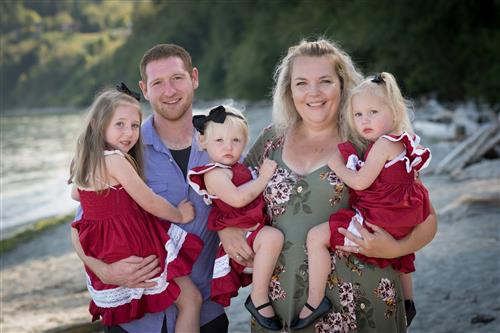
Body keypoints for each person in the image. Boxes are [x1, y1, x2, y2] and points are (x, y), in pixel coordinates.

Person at [218, 38, 437, 332]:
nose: (313, 92)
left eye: (325, 81)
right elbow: (225, 190)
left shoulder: (369, 142)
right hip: (283, 306)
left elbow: (427, 220)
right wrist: (226, 228)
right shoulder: (270, 141)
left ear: (343, 85)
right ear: (289, 90)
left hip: (362, 302)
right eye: (301, 83)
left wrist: (395, 248)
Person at [71, 44, 229, 333]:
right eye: (158, 82)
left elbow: (239, 207)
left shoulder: (223, 143)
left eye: (177, 78)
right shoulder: (125, 145)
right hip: (137, 319)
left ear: (194, 78)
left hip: (204, 311)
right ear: (145, 89)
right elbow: (80, 224)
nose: (169, 90)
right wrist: (103, 270)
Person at [292, 72, 431, 330]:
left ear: (395, 111)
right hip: (401, 218)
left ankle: (314, 301)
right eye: (358, 115)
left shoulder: (382, 145)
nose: (364, 120)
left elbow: (359, 182)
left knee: (316, 237)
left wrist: (337, 165)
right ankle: (408, 300)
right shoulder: (404, 143)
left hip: (379, 219)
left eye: (373, 112)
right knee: (401, 252)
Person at [187, 105, 284, 331]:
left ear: (246, 140)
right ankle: (258, 297)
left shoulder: (238, 167)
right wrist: (264, 177)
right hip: (242, 231)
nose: (228, 147)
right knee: (272, 238)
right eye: (219, 141)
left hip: (252, 227)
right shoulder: (213, 173)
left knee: (273, 239)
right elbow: (238, 199)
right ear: (203, 142)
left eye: (236, 141)